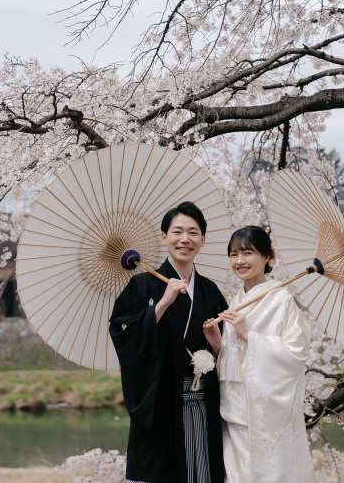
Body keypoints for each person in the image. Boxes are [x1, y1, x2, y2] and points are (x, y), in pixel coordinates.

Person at [110, 201, 228, 483]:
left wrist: (217, 346)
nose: (184, 239)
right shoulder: (142, 286)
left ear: (202, 240)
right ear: (164, 237)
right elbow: (122, 332)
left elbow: (228, 350)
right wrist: (161, 304)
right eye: (177, 232)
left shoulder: (210, 291)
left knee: (199, 471)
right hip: (158, 402)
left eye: (193, 232)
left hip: (200, 401)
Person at [203, 225, 315, 483]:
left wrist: (248, 336)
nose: (239, 261)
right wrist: (220, 345)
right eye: (233, 254)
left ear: (267, 256)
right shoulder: (238, 300)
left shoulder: (281, 300)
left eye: (247, 252)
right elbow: (235, 360)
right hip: (233, 414)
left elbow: (296, 354)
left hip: (264, 418)